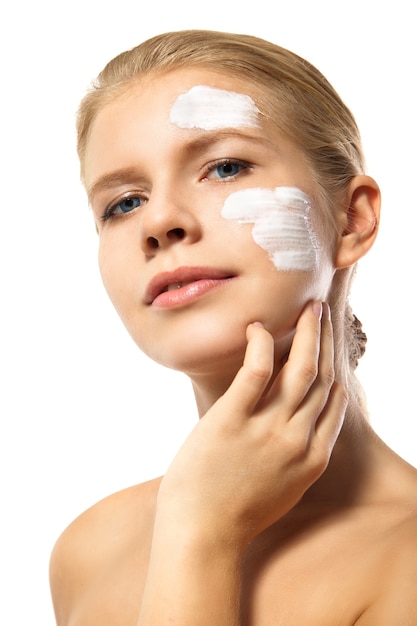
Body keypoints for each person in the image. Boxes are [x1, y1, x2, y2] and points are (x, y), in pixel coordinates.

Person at [49, 30, 417, 625]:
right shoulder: (90, 552)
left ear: (352, 220)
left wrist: (202, 534)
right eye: (123, 203)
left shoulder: (407, 561)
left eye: (224, 167)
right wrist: (196, 523)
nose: (160, 220)